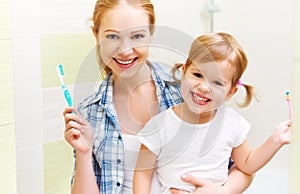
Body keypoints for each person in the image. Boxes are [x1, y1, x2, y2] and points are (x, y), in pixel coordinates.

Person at [63, 0, 254, 193]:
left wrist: (223, 191)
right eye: (112, 36)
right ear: (96, 35)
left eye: (137, 36)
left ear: (151, 34)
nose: (125, 50)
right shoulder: (89, 113)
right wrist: (84, 152)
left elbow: (244, 166)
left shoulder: (189, 90)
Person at [133, 32, 292, 194]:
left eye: (216, 82)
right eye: (197, 75)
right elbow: (142, 174)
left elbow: (247, 164)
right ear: (184, 71)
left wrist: (276, 140)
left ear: (230, 92)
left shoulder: (232, 123)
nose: (203, 87)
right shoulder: (159, 126)